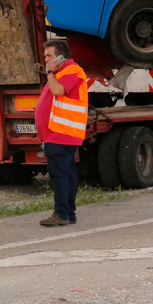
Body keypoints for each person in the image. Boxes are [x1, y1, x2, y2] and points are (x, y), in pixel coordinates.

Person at [35, 39, 87, 227]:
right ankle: (68, 213)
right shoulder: (61, 73)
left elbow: (58, 91)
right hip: (56, 134)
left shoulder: (71, 71)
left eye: (49, 56)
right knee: (65, 173)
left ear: (60, 57)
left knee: (60, 174)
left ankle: (61, 213)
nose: (46, 60)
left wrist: (50, 73)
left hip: (62, 133)